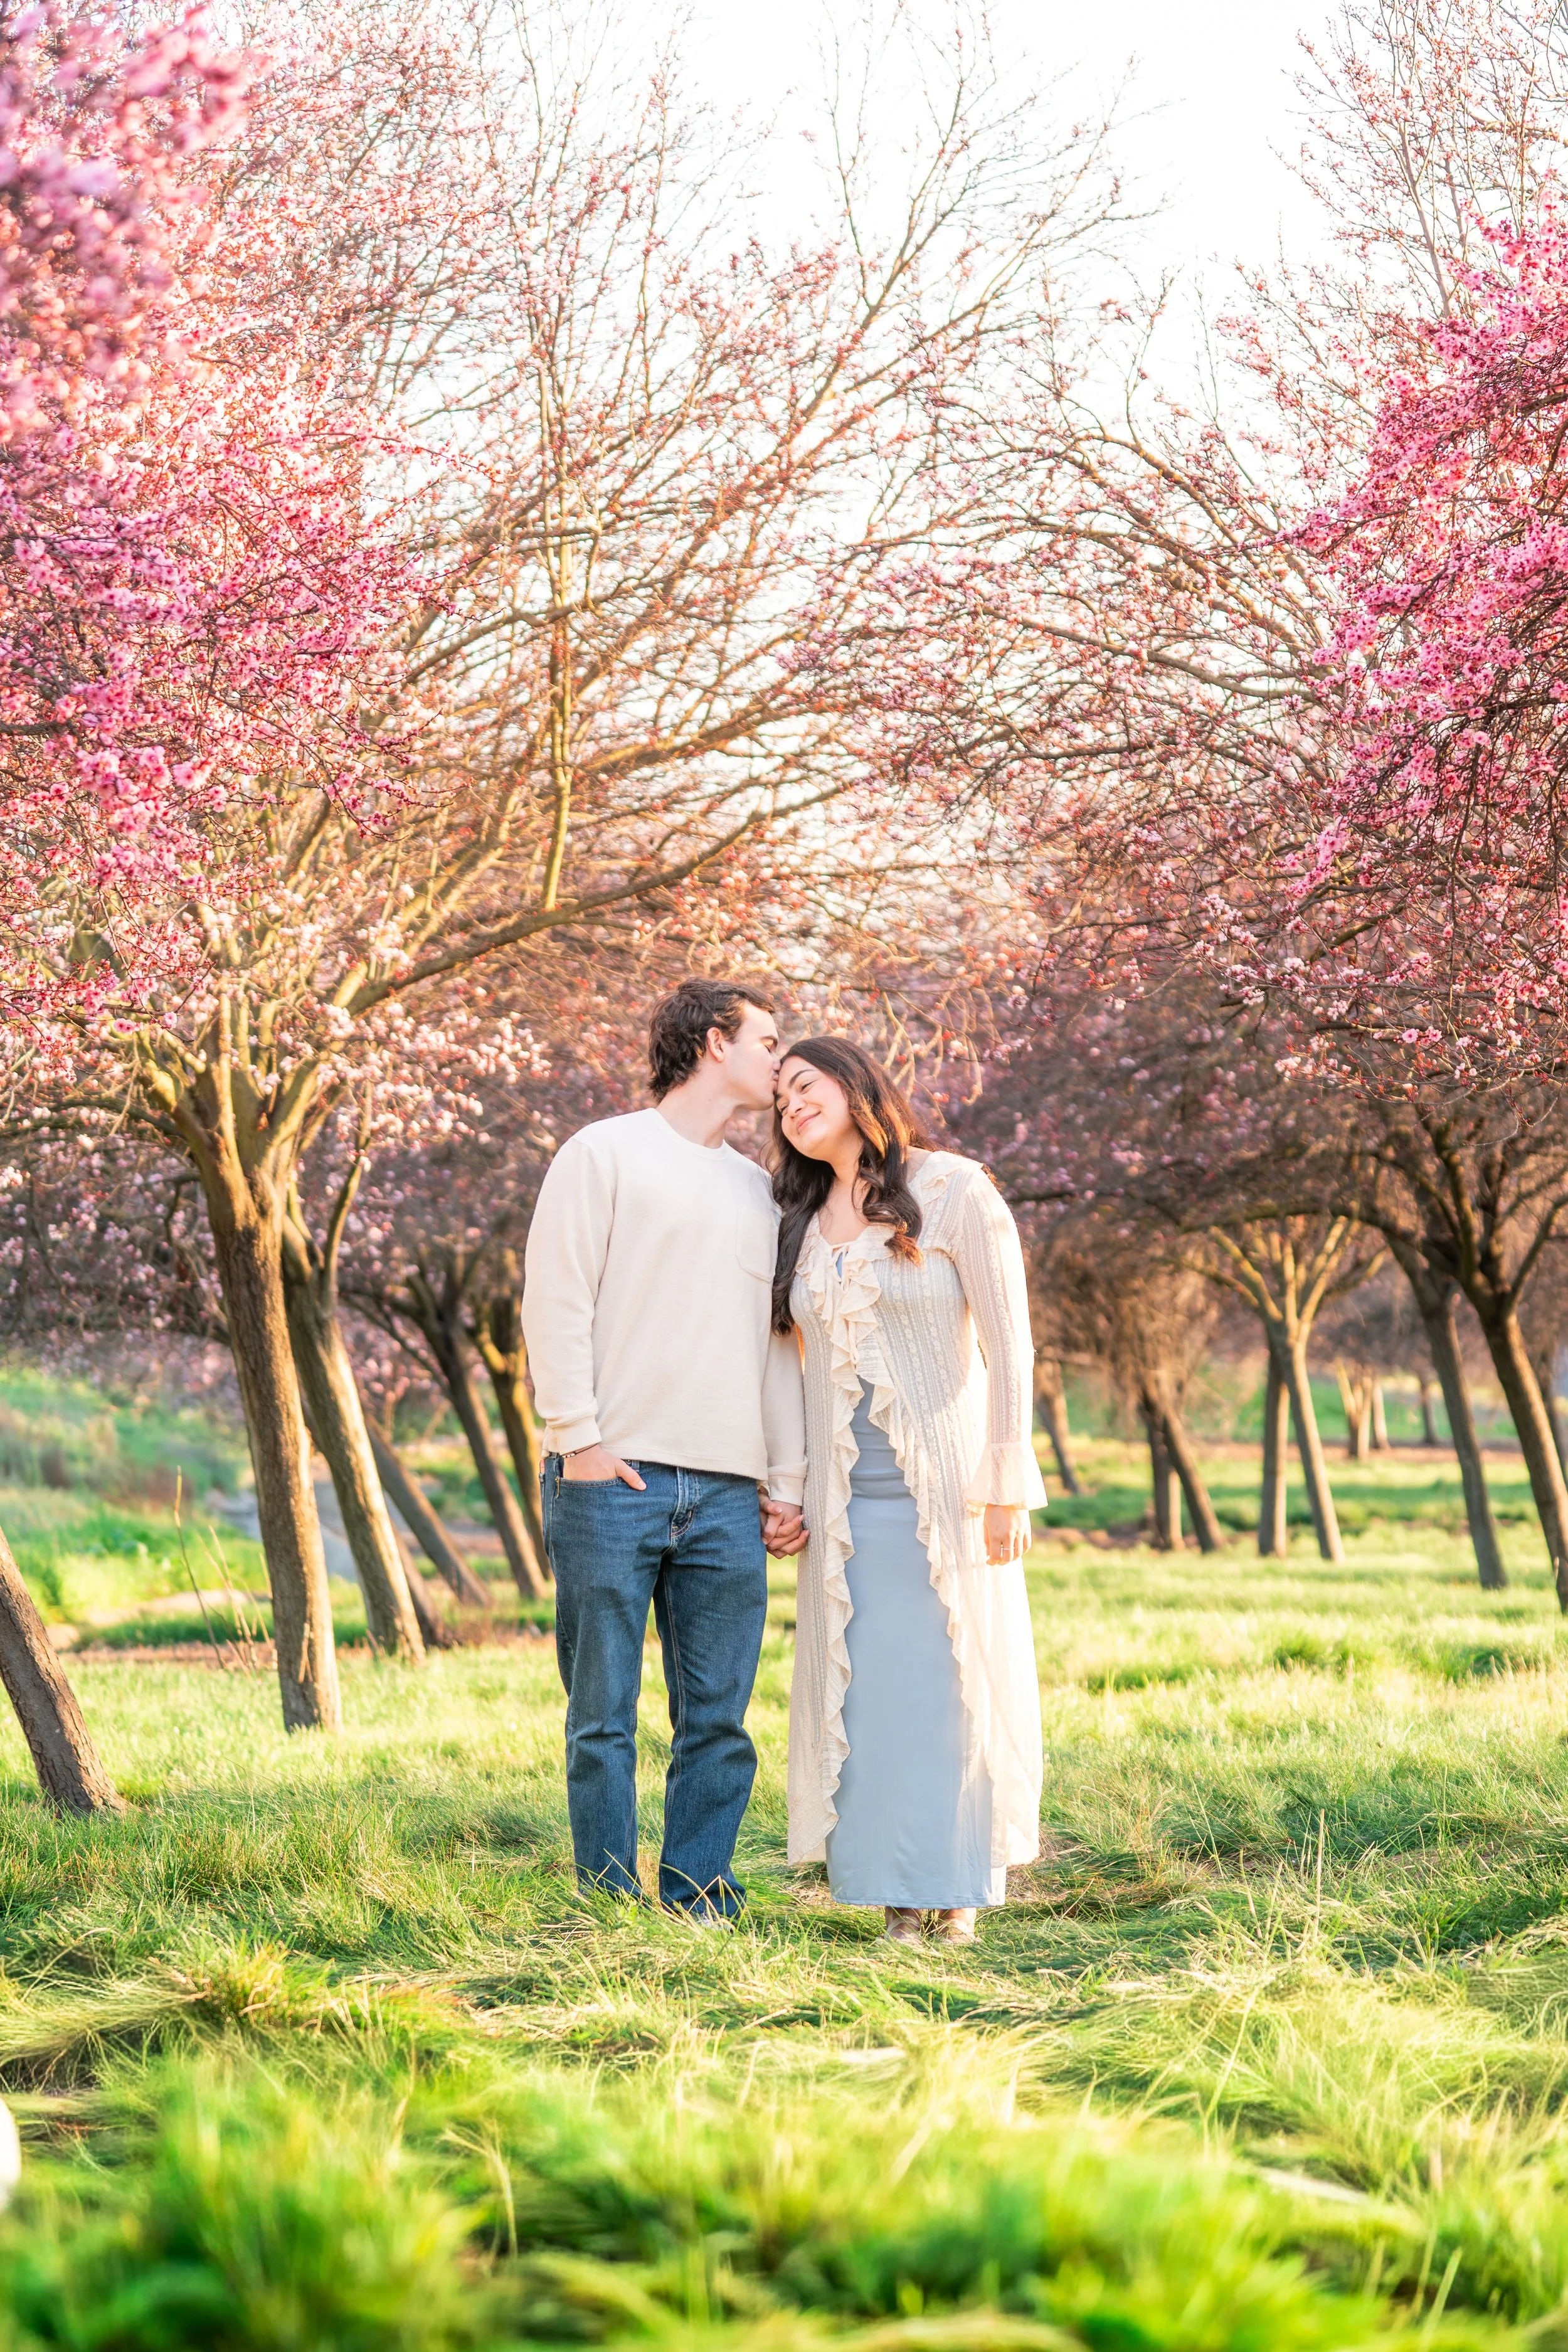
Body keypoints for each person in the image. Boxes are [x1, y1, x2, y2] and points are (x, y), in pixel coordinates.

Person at [522, 978, 807, 1922]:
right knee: (603, 1715)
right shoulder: (602, 1153)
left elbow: (774, 1344)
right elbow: (555, 1301)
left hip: (727, 1490)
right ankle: (605, 1900)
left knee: (717, 1721)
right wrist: (582, 1441)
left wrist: (781, 1478)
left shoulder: (758, 1191)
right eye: (768, 1039)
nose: (781, 1058)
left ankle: (697, 1897)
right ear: (715, 1042)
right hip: (614, 1478)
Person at [772, 1037, 1043, 1947]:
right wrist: (796, 1488)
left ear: (855, 1085)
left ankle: (956, 1890)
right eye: (777, 1101)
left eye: (803, 1086)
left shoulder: (955, 1188)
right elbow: (793, 1365)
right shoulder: (804, 1220)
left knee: (952, 1691)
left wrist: (1007, 1481)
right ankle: (893, 1896)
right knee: (868, 1701)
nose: (790, 1106)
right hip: (850, 1510)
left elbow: (1012, 1341)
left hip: (949, 1493)